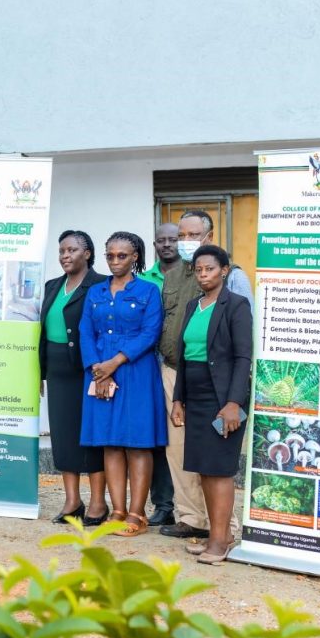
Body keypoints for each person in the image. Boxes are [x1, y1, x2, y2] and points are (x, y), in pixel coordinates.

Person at [158, 210, 247, 540]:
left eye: (192, 235)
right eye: (181, 235)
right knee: (181, 452)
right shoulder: (174, 277)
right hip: (177, 375)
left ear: (208, 236)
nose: (184, 241)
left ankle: (224, 530)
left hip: (219, 386)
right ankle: (192, 518)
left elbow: (243, 347)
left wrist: (234, 398)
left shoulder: (234, 278)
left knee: (216, 461)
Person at [79, 231, 167, 537]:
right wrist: (96, 368)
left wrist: (114, 363)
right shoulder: (96, 292)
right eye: (110, 255)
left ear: (135, 258)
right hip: (99, 371)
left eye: (122, 255)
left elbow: (150, 332)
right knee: (110, 441)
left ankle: (136, 513)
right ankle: (116, 510)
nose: (115, 261)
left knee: (137, 442)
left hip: (135, 372)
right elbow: (85, 331)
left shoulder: (148, 291)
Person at [171, 245, 252, 564]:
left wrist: (233, 403)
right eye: (199, 269)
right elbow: (183, 356)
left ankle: (219, 541)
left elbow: (243, 356)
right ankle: (220, 535)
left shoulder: (236, 305)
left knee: (219, 471)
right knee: (204, 469)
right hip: (196, 393)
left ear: (224, 271)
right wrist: (179, 399)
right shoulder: (193, 306)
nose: (203, 274)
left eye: (210, 269)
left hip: (223, 397)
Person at [39, 230, 108, 525]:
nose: (65, 256)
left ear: (87, 253)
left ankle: (96, 503)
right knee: (63, 435)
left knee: (90, 436)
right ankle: (71, 501)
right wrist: (39, 371)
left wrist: (102, 369)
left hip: (88, 370)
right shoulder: (52, 285)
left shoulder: (101, 285)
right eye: (62, 251)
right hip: (57, 370)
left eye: (72, 250)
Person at [137, 222, 181, 527]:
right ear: (154, 244)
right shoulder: (143, 280)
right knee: (157, 440)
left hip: (181, 368)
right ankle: (163, 504)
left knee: (182, 438)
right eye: (161, 240)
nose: (167, 245)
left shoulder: (194, 274)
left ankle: (187, 507)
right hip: (148, 368)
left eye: (173, 240)